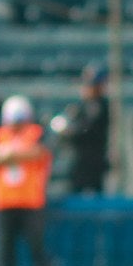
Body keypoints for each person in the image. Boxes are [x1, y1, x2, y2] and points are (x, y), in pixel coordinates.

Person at [0, 95, 52, 266]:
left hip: (30, 200)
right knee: (5, 251)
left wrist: (8, 155)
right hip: (4, 201)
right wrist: (11, 154)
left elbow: (39, 153)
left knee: (37, 248)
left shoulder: (36, 133)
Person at [51, 65, 109, 194]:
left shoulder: (99, 105)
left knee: (94, 197)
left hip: (93, 162)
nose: (86, 88)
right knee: (75, 191)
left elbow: (86, 130)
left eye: (91, 85)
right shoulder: (82, 105)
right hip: (79, 160)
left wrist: (68, 130)